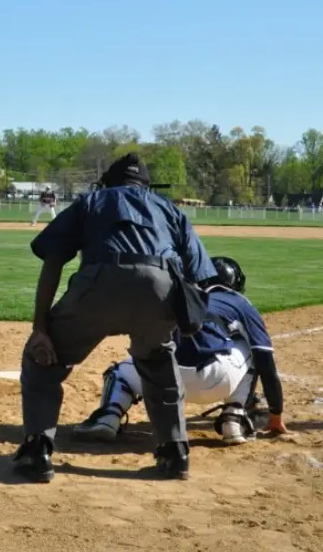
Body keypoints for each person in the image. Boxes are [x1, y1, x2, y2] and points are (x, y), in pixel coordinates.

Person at [14, 152, 219, 483]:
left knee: (42, 362)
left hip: (99, 283)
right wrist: (175, 320)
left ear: (108, 181)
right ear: (145, 184)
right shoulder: (167, 208)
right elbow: (199, 274)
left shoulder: (92, 200)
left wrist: (41, 329)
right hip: (160, 286)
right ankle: (174, 452)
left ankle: (37, 452)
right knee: (158, 362)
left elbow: (53, 259)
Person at [72, 255, 287, 444]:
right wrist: (275, 414)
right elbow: (265, 361)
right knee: (252, 346)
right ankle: (234, 416)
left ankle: (107, 418)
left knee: (119, 372)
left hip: (163, 381)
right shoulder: (239, 302)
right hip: (218, 381)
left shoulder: (183, 297)